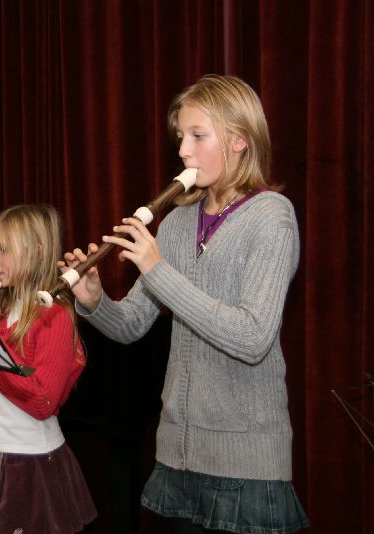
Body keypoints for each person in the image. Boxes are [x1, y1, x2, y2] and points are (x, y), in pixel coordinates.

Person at [64, 74, 309, 534]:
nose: (183, 151)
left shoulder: (272, 217)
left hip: (246, 463)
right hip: (177, 454)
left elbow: (253, 337)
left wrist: (156, 269)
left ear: (239, 140)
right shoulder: (176, 223)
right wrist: (95, 302)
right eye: (181, 137)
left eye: (198, 136)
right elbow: (131, 325)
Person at [0, 204, 97, 534]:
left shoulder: (55, 316)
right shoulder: (1, 308)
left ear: (36, 252)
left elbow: (42, 402)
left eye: (3, 250)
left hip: (31, 462)